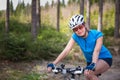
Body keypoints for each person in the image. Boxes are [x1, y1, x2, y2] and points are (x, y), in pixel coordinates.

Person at [47, 14, 112, 80]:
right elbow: (66, 50)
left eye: (80, 27)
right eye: (75, 29)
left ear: (84, 25)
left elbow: (96, 50)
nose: (78, 30)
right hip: (90, 62)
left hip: (104, 58)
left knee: (90, 73)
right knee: (88, 76)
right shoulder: (75, 36)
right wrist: (53, 63)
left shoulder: (97, 34)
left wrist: (93, 63)